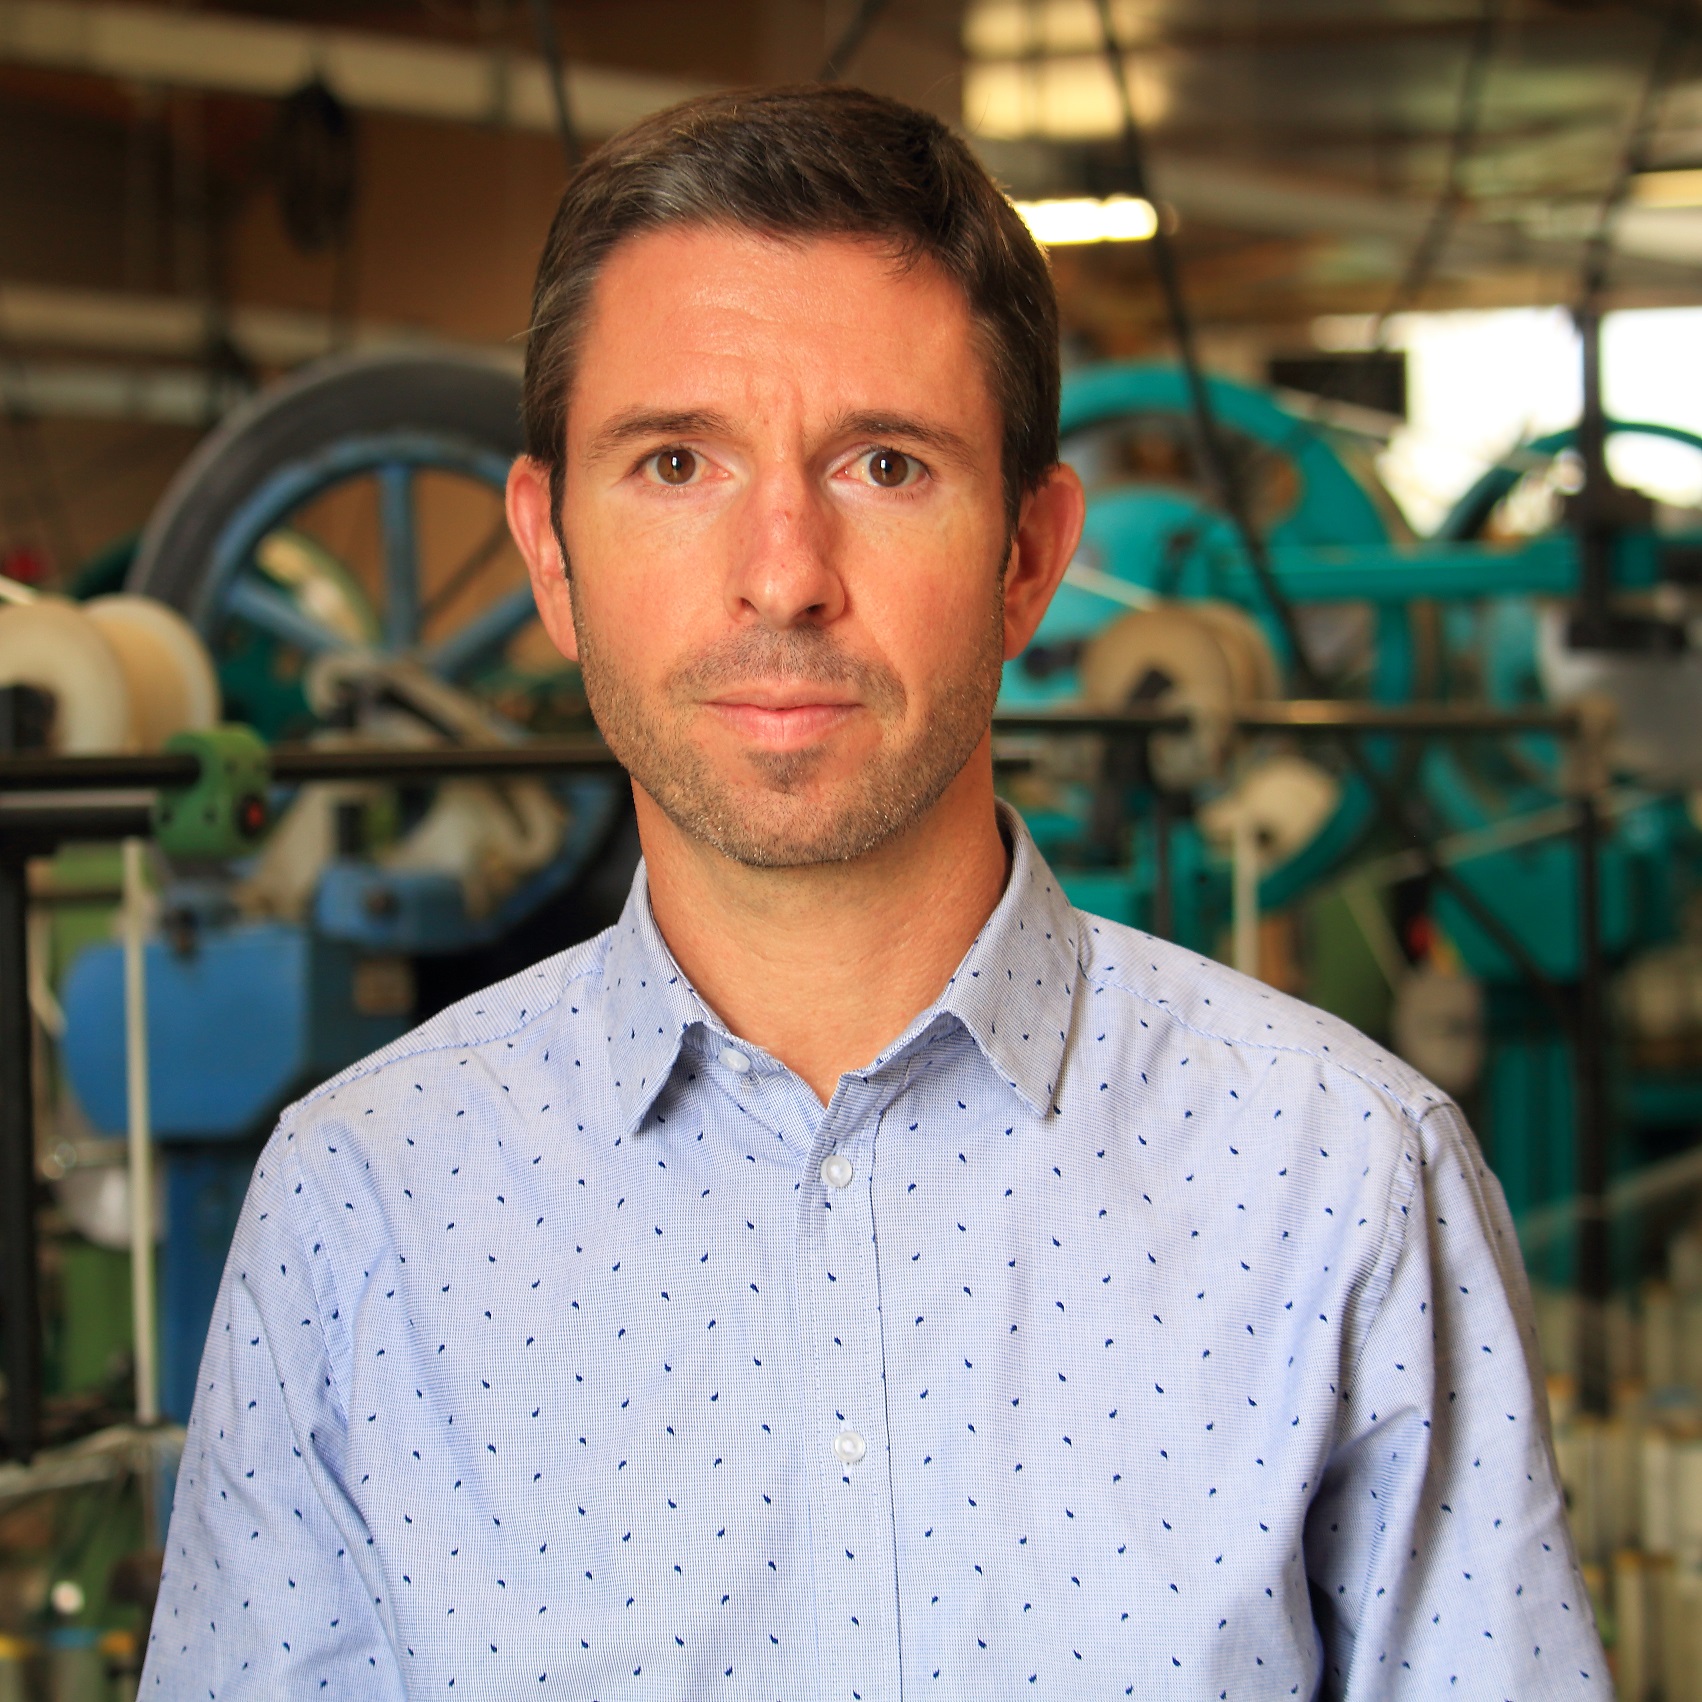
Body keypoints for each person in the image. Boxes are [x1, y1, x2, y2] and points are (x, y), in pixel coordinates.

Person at [142, 85, 1606, 1700]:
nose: (782, 574)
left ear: (1029, 555)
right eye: (676, 461)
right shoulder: (359, 1210)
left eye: (886, 464)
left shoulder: (1343, 1184)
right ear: (550, 553)